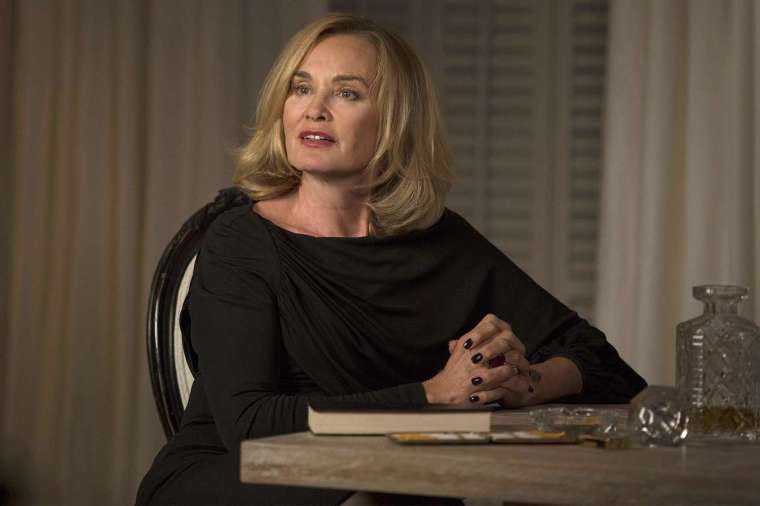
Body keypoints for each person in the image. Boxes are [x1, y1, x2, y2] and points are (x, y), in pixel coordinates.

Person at [136, 12, 646, 506]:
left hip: (389, 476)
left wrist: (524, 382)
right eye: (301, 88)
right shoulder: (240, 241)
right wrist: (431, 396)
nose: (314, 110)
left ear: (395, 123)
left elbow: (606, 367)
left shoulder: (440, 243)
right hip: (238, 475)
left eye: (347, 93)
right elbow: (249, 424)